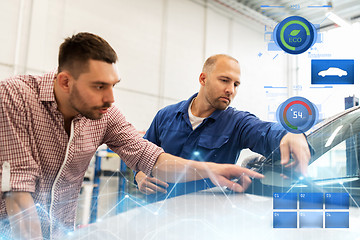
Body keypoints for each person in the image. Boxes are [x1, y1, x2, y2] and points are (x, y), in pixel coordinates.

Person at [0, 34, 264, 240]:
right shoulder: (16, 97)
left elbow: (151, 158)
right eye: (99, 86)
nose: (110, 98)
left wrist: (209, 169)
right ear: (66, 82)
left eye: (113, 85)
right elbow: (18, 196)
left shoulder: (106, 114)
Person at [135, 54, 310, 199]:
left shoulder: (237, 123)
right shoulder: (165, 116)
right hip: (157, 211)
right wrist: (140, 176)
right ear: (203, 79)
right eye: (225, 80)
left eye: (236, 84)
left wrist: (291, 134)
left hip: (208, 219)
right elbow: (140, 156)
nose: (231, 90)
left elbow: (267, 132)